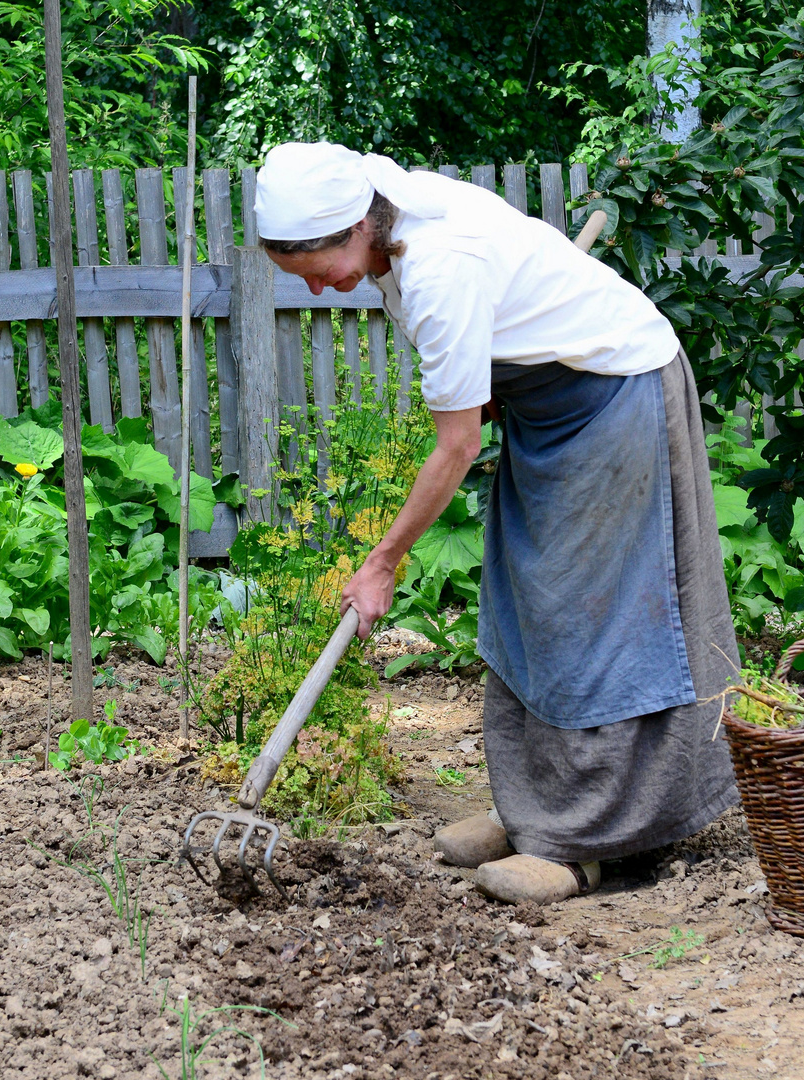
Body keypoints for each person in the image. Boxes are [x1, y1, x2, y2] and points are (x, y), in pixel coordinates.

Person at [254, 142, 739, 906]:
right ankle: (535, 812)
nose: (319, 289)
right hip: (548, 410)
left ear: (359, 227)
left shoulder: (442, 262)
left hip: (616, 399)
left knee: (590, 617)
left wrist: (382, 561)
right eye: (303, 278)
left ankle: (584, 842)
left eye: (321, 268)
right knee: (526, 604)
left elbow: (456, 447)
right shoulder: (393, 224)